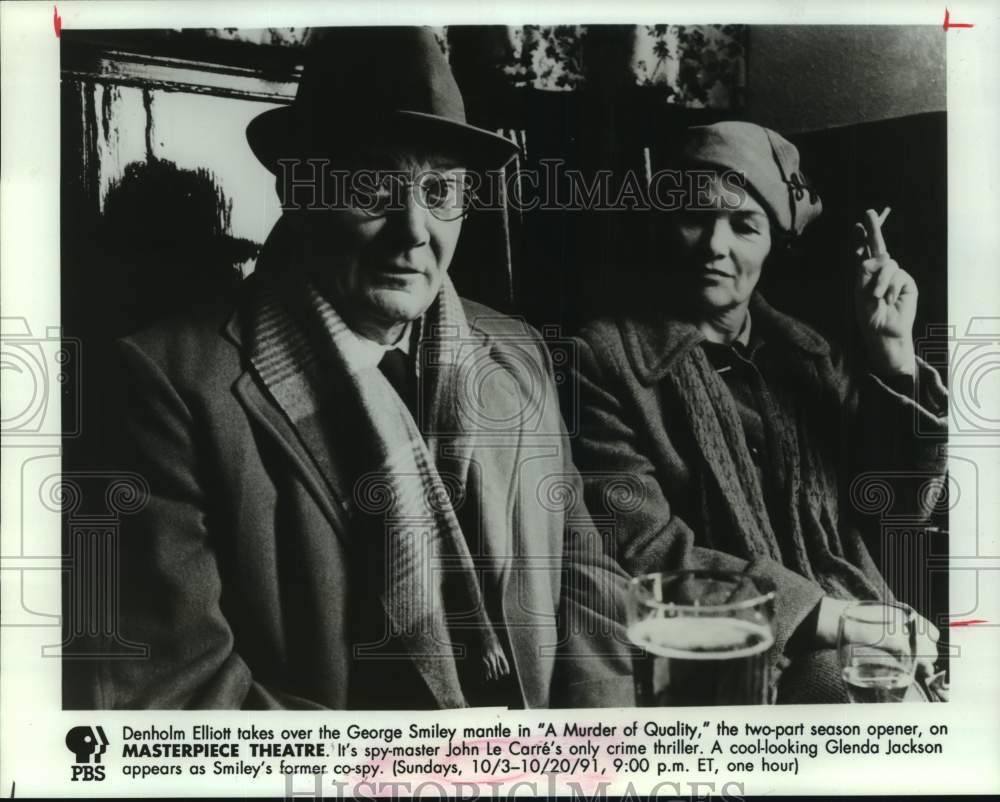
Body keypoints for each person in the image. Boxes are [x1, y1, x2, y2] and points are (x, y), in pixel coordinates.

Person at [95, 27, 633, 710]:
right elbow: (180, 693)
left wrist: (598, 757)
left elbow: (588, 582)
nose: (414, 230)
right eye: (374, 184)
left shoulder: (520, 353)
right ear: (300, 192)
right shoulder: (168, 383)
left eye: (440, 191)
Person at [568, 121, 948, 702]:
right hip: (719, 662)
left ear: (773, 241)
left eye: (744, 225)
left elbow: (899, 508)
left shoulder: (811, 359)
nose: (715, 245)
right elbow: (647, 554)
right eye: (695, 215)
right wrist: (827, 617)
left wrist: (892, 352)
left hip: (863, 628)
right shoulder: (603, 360)